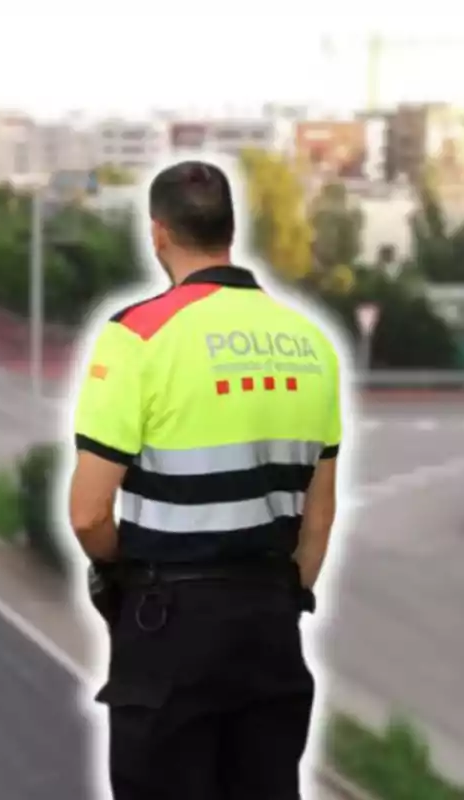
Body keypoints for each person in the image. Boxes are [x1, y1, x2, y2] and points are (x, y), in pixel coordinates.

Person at [68, 160, 342, 800]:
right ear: (232, 229)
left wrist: (123, 577)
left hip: (170, 629)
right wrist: (274, 597)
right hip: (271, 631)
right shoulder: (311, 344)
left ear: (158, 233)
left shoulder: (137, 336)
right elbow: (319, 519)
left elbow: (88, 514)